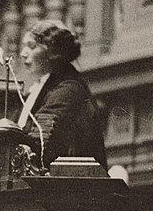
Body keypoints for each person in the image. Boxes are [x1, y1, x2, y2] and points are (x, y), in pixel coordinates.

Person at [16, 19, 108, 171]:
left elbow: (41, 141)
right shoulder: (40, 88)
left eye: (32, 47)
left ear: (53, 52)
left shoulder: (68, 89)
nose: (23, 53)